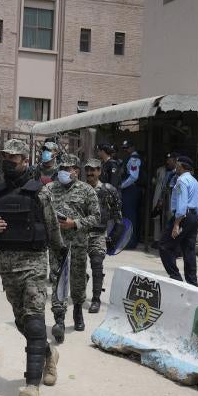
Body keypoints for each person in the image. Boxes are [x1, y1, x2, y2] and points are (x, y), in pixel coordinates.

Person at [0, 139, 64, 396]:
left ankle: (31, 386)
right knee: (22, 322)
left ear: (25, 161)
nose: (8, 162)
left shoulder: (40, 193)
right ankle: (49, 355)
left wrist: (59, 262)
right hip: (8, 268)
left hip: (34, 265)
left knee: (35, 322)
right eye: (5, 158)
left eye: (14, 158)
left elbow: (53, 230)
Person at [47, 154, 100, 339]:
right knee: (56, 279)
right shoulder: (49, 189)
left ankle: (78, 310)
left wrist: (75, 223)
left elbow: (96, 217)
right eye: (61, 168)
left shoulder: (87, 191)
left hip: (77, 243)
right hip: (57, 244)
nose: (63, 172)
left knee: (77, 281)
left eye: (67, 169)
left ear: (76, 171)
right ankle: (59, 319)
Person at [84, 158, 123, 313]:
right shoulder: (79, 189)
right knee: (77, 267)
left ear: (99, 171)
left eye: (93, 170)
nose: (89, 173)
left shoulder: (108, 190)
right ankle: (82, 279)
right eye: (87, 170)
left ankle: (95, 299)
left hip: (99, 234)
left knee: (97, 264)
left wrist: (114, 237)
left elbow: (118, 216)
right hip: (80, 233)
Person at [159, 156, 198, 286]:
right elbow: (197, 203)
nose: (175, 166)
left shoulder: (181, 180)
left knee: (164, 246)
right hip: (193, 217)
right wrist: (196, 219)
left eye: (177, 164)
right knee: (189, 250)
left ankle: (176, 278)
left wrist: (176, 224)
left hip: (183, 217)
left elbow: (182, 205)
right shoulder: (194, 181)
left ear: (181, 166)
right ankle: (192, 284)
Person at [117, 139, 143, 249]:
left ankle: (131, 242)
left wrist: (121, 186)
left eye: (127, 148)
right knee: (127, 215)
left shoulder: (134, 159)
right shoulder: (129, 158)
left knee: (130, 215)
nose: (125, 150)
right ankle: (128, 240)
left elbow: (133, 176)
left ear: (132, 147)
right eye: (124, 148)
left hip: (131, 189)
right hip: (129, 189)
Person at [151, 153, 178, 247]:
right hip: (159, 196)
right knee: (157, 217)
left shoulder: (177, 172)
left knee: (169, 218)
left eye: (169, 160)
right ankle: (157, 239)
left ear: (175, 161)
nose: (167, 162)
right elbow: (154, 181)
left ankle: (168, 240)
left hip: (170, 198)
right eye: (167, 160)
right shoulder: (161, 170)